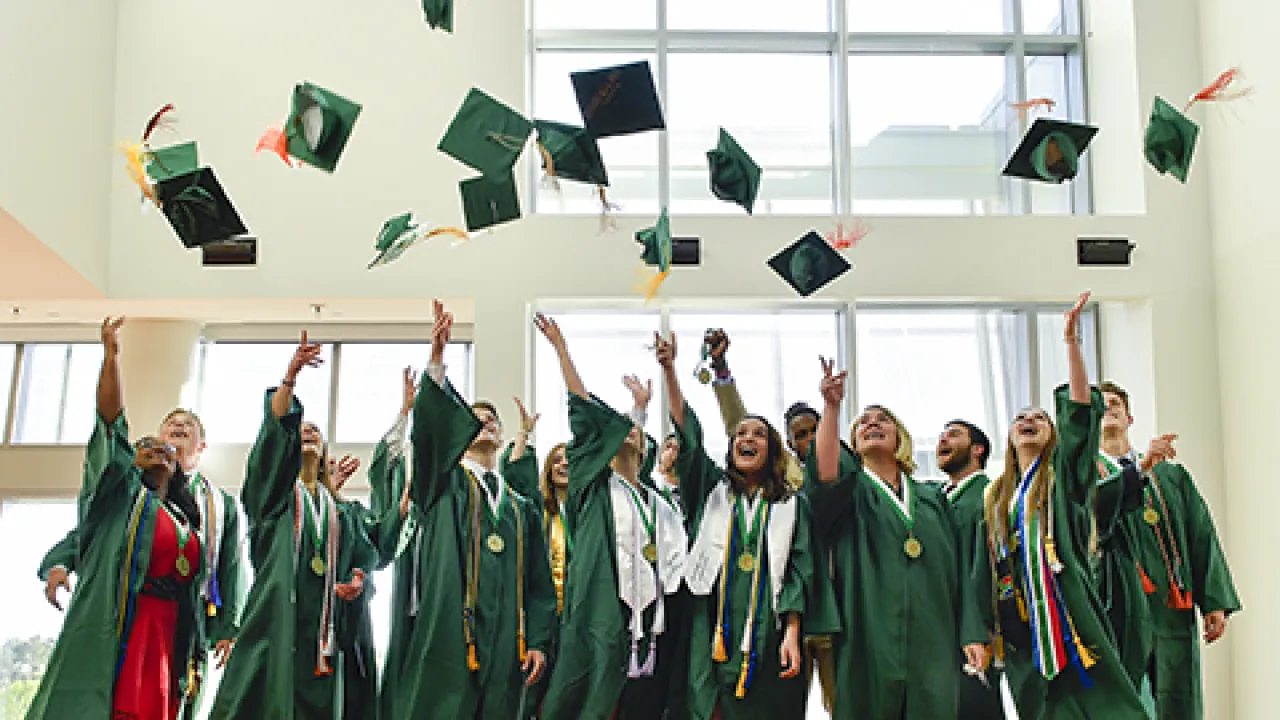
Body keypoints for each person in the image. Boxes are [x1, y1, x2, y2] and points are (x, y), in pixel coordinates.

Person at [971, 292, 1149, 719]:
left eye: (1039, 418)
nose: (1028, 421)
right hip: (1022, 632)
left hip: (1072, 618)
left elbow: (1079, 416)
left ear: (1052, 435)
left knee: (1108, 709)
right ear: (1009, 437)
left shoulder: (1063, 481)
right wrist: (980, 631)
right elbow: (983, 572)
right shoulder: (995, 499)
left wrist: (1071, 343)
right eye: (1019, 418)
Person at [380, 299, 556, 720]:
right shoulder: (444, 483)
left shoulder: (521, 507)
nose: (487, 424)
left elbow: (537, 580)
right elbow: (430, 437)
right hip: (449, 631)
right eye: (476, 419)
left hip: (506, 640)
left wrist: (537, 639)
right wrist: (437, 361)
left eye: (493, 420)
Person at [26, 317, 205, 720]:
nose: (159, 450)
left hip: (168, 631)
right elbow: (109, 423)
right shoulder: (118, 496)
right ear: (130, 457)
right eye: (145, 446)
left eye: (168, 451)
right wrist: (111, 358)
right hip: (126, 621)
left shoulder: (184, 516)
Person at [657, 330, 836, 720]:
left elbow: (799, 572)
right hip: (711, 631)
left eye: (758, 433)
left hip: (771, 634)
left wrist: (792, 631)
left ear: (772, 450)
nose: (746, 438)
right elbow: (688, 435)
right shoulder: (712, 491)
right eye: (740, 433)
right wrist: (670, 369)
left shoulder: (791, 505)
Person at [36, 407, 248, 718]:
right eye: (171, 423)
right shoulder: (133, 491)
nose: (179, 425)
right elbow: (93, 531)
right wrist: (60, 563)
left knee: (170, 699)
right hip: (130, 605)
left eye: (188, 424)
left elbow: (230, 565)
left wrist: (230, 626)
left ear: (201, 445)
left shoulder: (219, 504)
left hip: (186, 619)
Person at [209, 331, 378, 719]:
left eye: (315, 433)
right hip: (277, 625)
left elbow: (366, 558)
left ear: (325, 452)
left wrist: (357, 580)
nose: (308, 433)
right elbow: (271, 442)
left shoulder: (341, 513)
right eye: (301, 430)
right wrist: (290, 380)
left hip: (324, 639)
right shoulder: (275, 499)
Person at [809, 359, 982, 720]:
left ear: (900, 437)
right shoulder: (850, 494)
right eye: (863, 424)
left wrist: (972, 632)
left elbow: (962, 571)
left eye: (882, 420)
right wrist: (832, 407)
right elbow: (824, 474)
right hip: (868, 634)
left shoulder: (934, 498)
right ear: (852, 446)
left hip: (935, 637)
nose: (872, 423)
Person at [535, 313, 688, 719]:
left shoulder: (659, 502)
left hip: (657, 622)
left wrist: (641, 410)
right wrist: (561, 350)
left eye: (637, 430)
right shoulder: (594, 488)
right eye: (622, 428)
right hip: (604, 615)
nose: (628, 431)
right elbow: (586, 418)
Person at [1095, 380, 1241, 720]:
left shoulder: (1170, 476)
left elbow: (1200, 533)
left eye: (1116, 403)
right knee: (1126, 698)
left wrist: (1214, 601)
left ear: (1129, 417)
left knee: (1177, 697)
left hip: (1170, 608)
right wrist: (1140, 467)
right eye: (1100, 405)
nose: (1109, 408)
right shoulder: (1081, 478)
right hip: (1114, 605)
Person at [935, 420, 1005, 718]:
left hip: (974, 628)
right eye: (941, 436)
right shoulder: (936, 499)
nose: (942, 440)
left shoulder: (988, 497)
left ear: (977, 449)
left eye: (953, 434)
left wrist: (981, 625)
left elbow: (987, 568)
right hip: (941, 625)